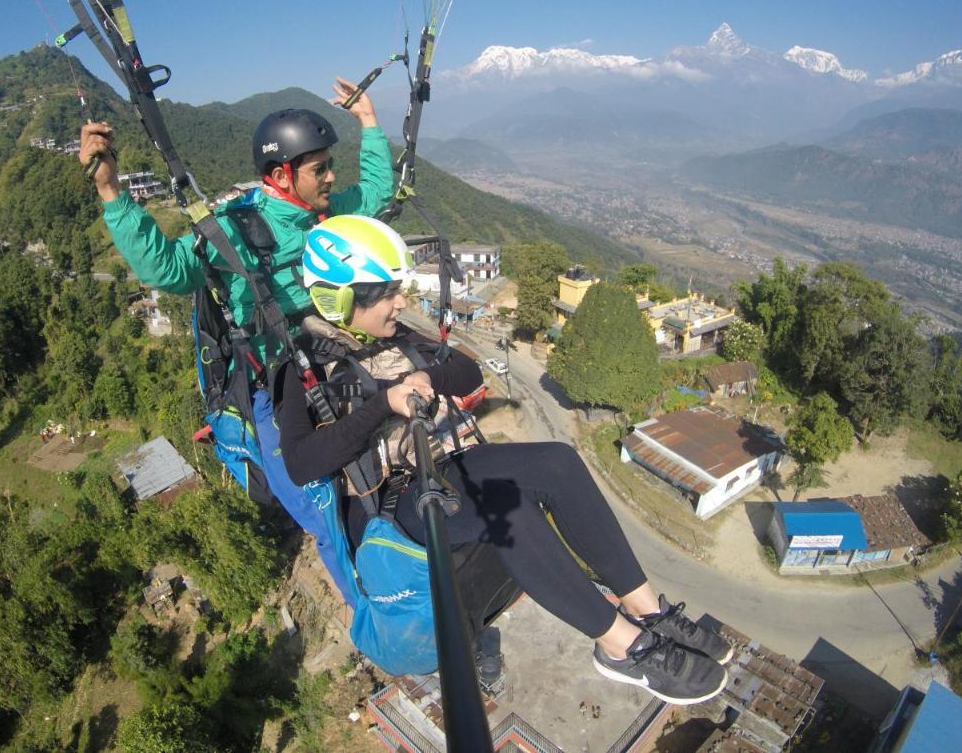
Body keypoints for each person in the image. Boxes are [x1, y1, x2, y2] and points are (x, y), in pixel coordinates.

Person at [275, 214, 733, 705]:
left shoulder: (395, 335)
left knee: (558, 461)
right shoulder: (299, 369)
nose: (401, 301)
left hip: (443, 467)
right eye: (388, 293)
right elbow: (302, 464)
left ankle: (647, 611)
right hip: (391, 506)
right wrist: (383, 403)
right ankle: (621, 647)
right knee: (507, 510)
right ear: (340, 299)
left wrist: (427, 377)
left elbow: (468, 373)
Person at [78, 80, 395, 603]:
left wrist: (368, 120)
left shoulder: (324, 213)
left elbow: (377, 194)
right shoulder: (237, 231)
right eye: (320, 169)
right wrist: (111, 191)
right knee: (319, 502)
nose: (332, 177)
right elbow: (169, 267)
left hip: (322, 351)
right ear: (280, 175)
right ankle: (375, 614)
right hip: (266, 382)